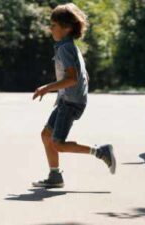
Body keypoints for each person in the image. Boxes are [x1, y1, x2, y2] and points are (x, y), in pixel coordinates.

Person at [32, 3, 116, 188]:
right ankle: (55, 176)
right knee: (47, 135)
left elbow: (72, 78)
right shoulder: (67, 46)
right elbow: (82, 75)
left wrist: (47, 88)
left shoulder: (65, 49)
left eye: (54, 25)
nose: (50, 28)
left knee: (58, 144)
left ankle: (101, 152)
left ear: (66, 28)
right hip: (67, 100)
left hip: (70, 103)